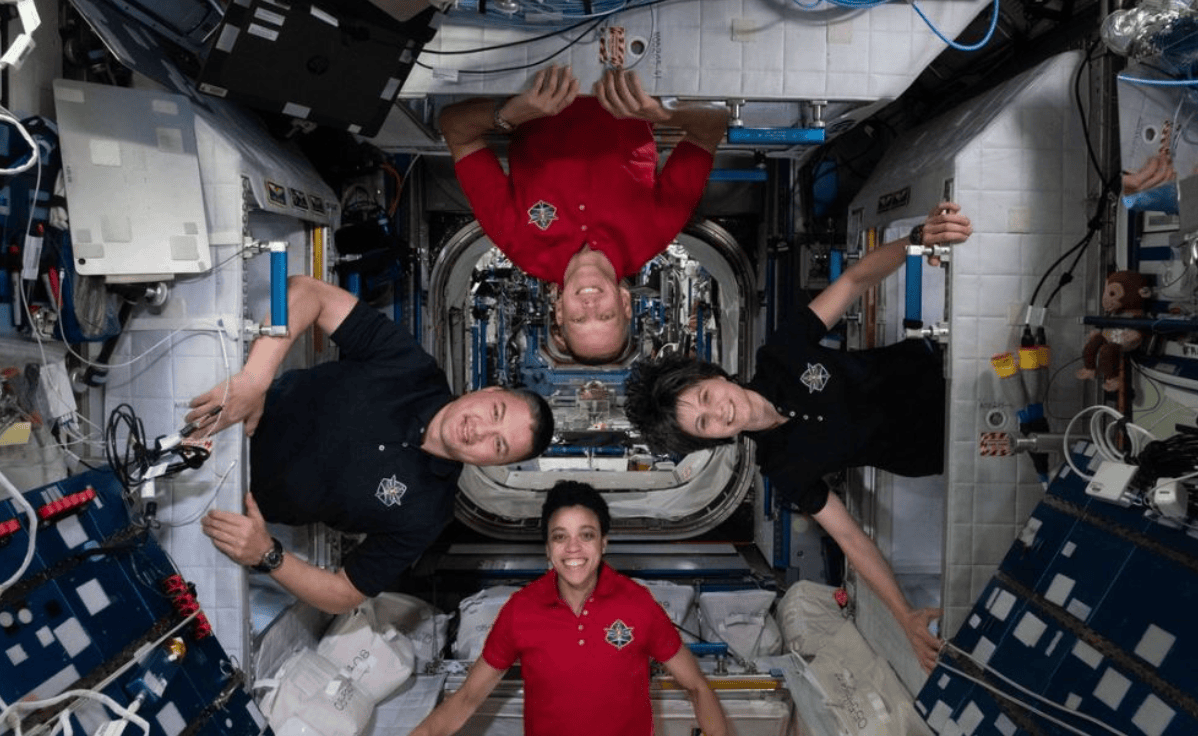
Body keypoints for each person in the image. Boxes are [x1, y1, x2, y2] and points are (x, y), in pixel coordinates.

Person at [624, 202, 974, 673]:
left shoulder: (781, 352)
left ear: (714, 375)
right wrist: (904, 616)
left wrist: (914, 239)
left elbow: (854, 282)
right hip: (943, 449)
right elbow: (849, 537)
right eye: (704, 424)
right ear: (711, 441)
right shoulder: (783, 468)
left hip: (947, 371)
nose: (719, 412)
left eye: (706, 396)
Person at [186, 276, 554, 614]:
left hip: (217, 502)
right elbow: (308, 293)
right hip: (222, 410)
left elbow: (344, 595)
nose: (480, 430)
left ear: (492, 464)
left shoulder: (428, 513)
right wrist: (255, 379)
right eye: (495, 412)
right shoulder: (409, 366)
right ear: (488, 391)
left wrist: (267, 554)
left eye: (499, 445)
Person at [439, 65, 729, 363]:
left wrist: (507, 114)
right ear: (625, 303)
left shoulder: (518, 241)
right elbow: (714, 125)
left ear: (559, 312)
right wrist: (664, 111)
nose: (590, 306)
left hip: (539, 67)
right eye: (606, 315)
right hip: (624, 65)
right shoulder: (655, 231)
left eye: (578, 319)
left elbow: (455, 129)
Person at [409, 481, 728, 736]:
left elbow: (697, 686)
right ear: (548, 549)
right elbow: (467, 698)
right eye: (560, 537)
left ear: (604, 542)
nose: (573, 548)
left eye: (586, 535)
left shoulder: (638, 603)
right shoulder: (521, 610)